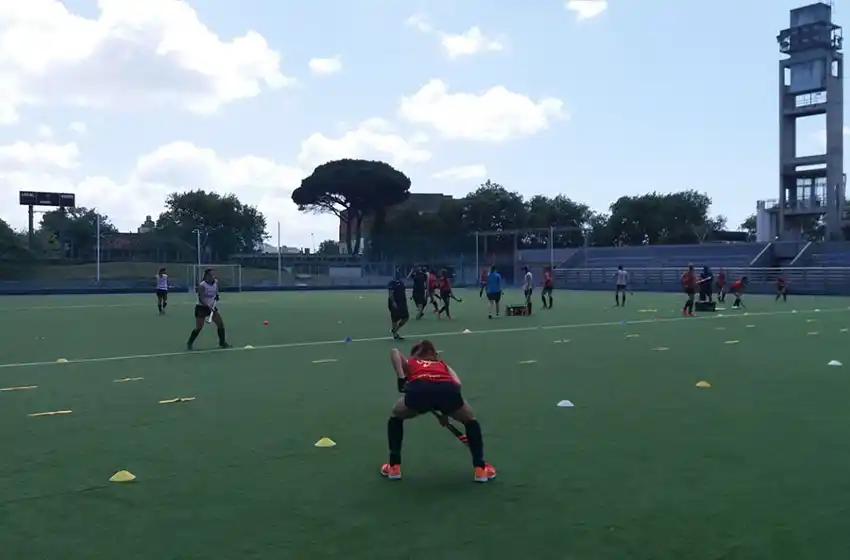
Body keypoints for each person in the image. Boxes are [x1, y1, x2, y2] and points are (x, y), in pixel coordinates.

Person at [381, 340, 496, 483]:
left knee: (396, 415)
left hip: (419, 391)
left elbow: (394, 352)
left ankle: (394, 467)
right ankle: (480, 469)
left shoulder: (411, 362)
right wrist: (446, 411)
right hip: (447, 390)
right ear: (433, 354)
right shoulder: (443, 365)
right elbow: (457, 384)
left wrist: (401, 378)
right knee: (470, 420)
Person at [187, 268, 230, 350]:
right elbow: (201, 298)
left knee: (220, 324)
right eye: (211, 275)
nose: (213, 276)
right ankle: (190, 342)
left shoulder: (215, 283)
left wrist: (217, 296)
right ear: (207, 276)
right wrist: (208, 306)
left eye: (214, 275)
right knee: (199, 327)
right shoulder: (202, 285)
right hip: (201, 308)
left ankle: (222, 342)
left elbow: (215, 292)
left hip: (212, 307)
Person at [388, 269, 409, 339]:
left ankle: (395, 329)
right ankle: (395, 334)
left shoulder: (401, 283)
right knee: (394, 319)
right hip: (395, 302)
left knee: (406, 317)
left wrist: (405, 303)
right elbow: (390, 294)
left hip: (402, 303)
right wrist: (393, 302)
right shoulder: (392, 283)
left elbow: (403, 293)